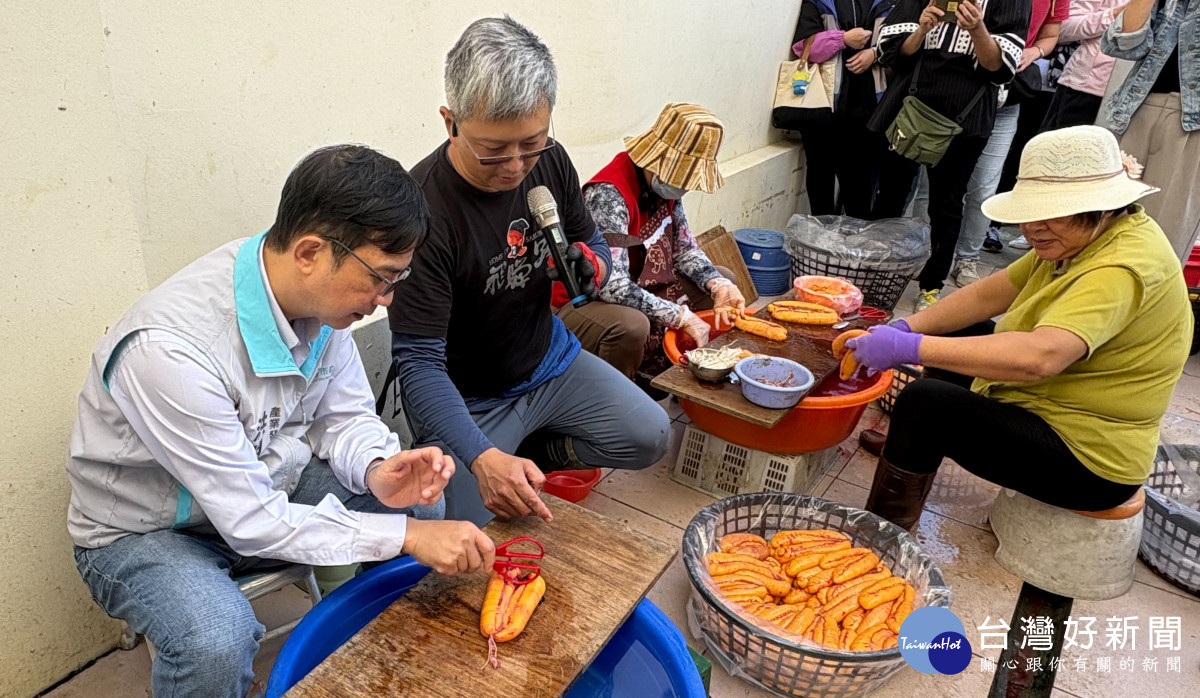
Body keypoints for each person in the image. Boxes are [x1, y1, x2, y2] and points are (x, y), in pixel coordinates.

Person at [68, 145, 496, 698]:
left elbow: (341, 416)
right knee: (215, 640)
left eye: (398, 279)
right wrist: (409, 536)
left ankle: (383, 661)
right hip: (146, 531)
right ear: (311, 251)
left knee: (417, 499)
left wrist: (377, 466)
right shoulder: (170, 353)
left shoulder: (323, 303)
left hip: (262, 483)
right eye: (381, 279)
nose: (386, 300)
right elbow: (249, 520)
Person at [388, 16, 670, 527]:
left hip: (548, 365)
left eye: (532, 142)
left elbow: (592, 238)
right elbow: (420, 366)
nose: (517, 165)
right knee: (458, 533)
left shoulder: (551, 161)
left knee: (650, 434)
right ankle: (501, 452)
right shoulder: (424, 211)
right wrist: (481, 457)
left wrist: (596, 265)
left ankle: (536, 451)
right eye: (493, 149)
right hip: (469, 399)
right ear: (449, 121)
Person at [846, 126, 1190, 531]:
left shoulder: (1121, 266)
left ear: (1102, 206)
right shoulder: (1081, 238)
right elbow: (984, 297)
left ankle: (881, 538)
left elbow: (1040, 358)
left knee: (925, 404)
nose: (1032, 228)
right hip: (1048, 402)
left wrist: (911, 348)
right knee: (958, 333)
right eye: (1030, 213)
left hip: (1089, 458)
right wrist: (904, 327)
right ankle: (913, 448)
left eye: (1051, 212)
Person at [555, 102, 745, 387]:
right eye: (680, 177)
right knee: (632, 326)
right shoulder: (608, 195)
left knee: (723, 280)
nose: (682, 187)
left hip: (638, 282)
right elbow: (611, 285)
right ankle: (618, 393)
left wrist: (718, 284)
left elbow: (684, 250)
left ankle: (696, 374)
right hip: (583, 299)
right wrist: (678, 316)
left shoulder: (665, 187)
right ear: (657, 161)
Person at [869, 0, 1031, 311]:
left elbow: (1000, 69)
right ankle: (875, 274)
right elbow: (891, 49)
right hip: (910, 105)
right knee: (890, 194)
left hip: (965, 115)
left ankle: (931, 285)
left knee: (946, 203)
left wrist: (977, 29)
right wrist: (922, 30)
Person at [950, 0, 1068, 276]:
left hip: (1005, 95)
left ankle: (967, 257)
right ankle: (926, 252)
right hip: (955, 82)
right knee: (932, 181)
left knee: (984, 184)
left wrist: (1035, 52)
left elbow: (1050, 35)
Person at [1101, 0, 1200, 263]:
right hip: (1135, 106)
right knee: (1096, 222)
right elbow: (1122, 44)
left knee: (1159, 240)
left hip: (1193, 124)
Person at [792, 0, 898, 219]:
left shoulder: (893, 3)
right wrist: (842, 39)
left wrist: (875, 54)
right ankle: (821, 242)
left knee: (860, 184)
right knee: (820, 176)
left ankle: (852, 247)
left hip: (870, 107)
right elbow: (802, 47)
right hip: (823, 104)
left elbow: (905, 45)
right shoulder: (819, 2)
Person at [1039, 0, 1126, 132]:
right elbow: (1062, 29)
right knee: (1057, 149)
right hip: (1086, 89)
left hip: (1138, 97)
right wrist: (1115, 14)